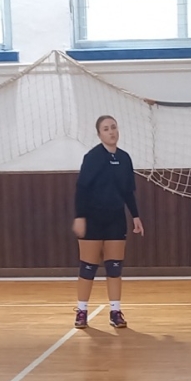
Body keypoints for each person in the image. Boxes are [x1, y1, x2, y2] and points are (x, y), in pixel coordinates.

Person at [72, 115, 144, 329]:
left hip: (115, 220)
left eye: (113, 127)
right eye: (106, 129)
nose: (111, 132)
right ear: (99, 134)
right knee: (88, 267)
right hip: (93, 219)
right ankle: (81, 311)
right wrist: (80, 217)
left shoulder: (124, 158)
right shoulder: (93, 157)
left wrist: (136, 216)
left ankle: (115, 311)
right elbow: (81, 188)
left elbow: (128, 191)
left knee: (114, 267)